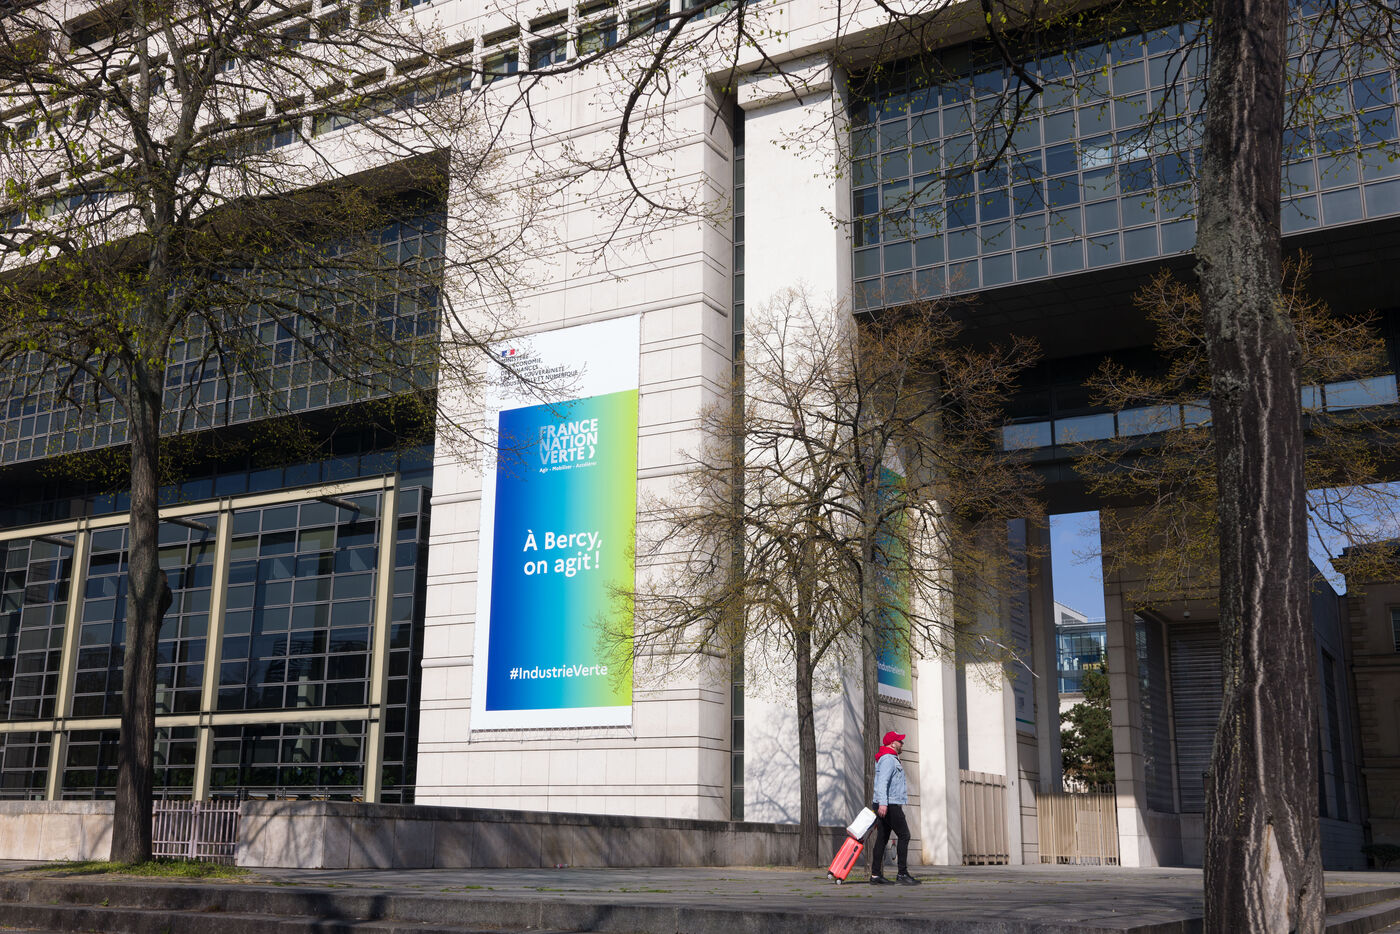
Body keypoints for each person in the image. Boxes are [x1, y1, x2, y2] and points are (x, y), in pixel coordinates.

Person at [869, 730, 920, 885]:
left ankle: (876, 876)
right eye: (899, 741)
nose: (902, 743)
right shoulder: (888, 759)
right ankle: (902, 874)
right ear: (892, 743)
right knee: (904, 835)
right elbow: (882, 782)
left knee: (882, 838)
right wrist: (883, 803)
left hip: (887, 803)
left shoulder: (890, 758)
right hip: (889, 804)